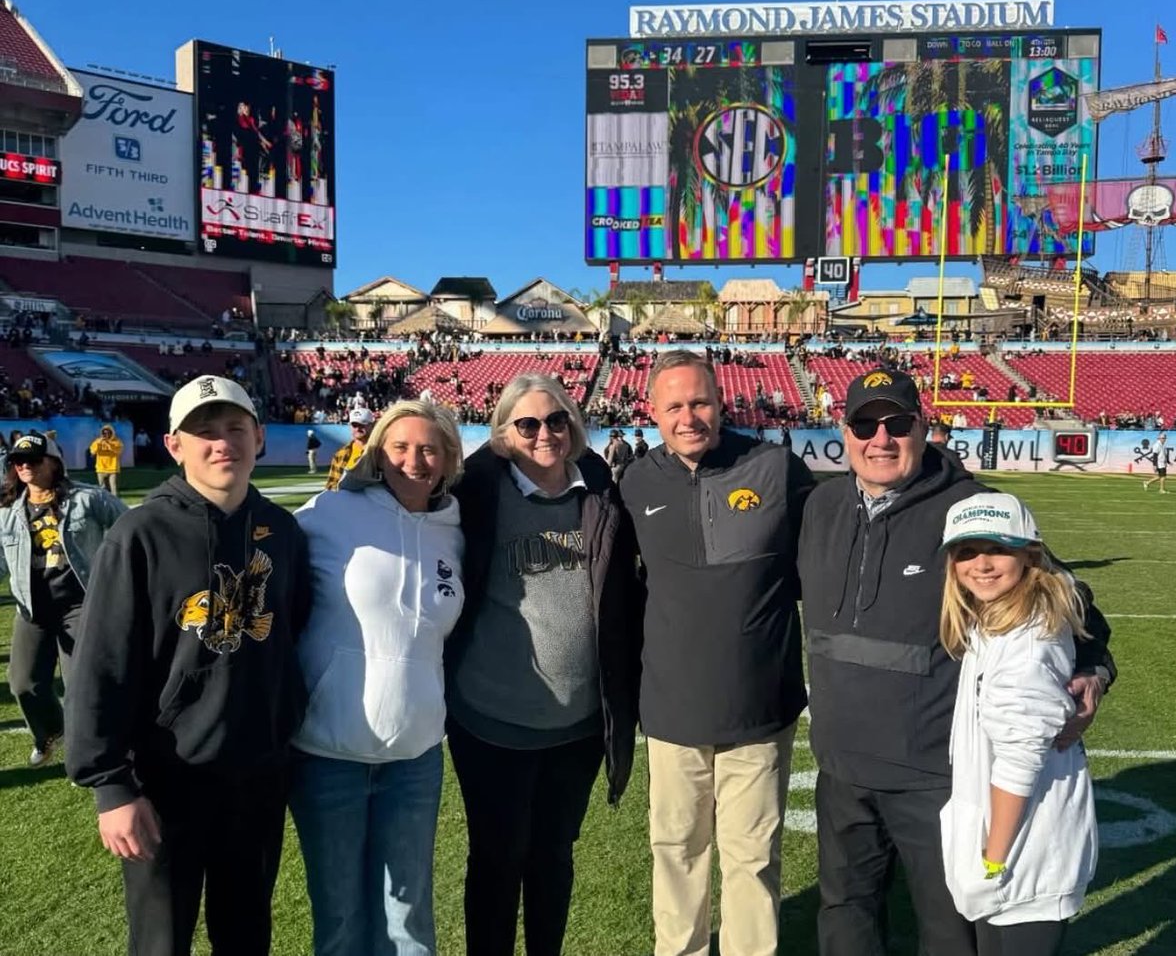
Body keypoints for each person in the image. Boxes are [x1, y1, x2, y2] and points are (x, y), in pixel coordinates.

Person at [797, 368, 1115, 956]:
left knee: (947, 932)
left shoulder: (972, 507)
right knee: (844, 916)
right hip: (840, 767)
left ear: (924, 427)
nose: (881, 438)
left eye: (898, 423)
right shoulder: (820, 507)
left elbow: (1067, 599)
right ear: (843, 432)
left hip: (934, 775)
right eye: (865, 424)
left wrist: (1094, 669)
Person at [65, 376, 312, 956]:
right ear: (175, 446)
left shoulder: (282, 532)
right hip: (164, 781)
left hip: (257, 776)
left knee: (247, 932)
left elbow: (291, 634)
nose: (221, 443)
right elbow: (100, 666)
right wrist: (110, 787)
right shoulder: (139, 535)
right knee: (161, 940)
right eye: (204, 432)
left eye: (234, 429)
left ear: (257, 436)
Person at [621, 350, 815, 956]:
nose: (688, 417)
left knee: (752, 857)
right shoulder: (635, 481)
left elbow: (840, 551)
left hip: (758, 709)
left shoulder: (777, 469)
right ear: (651, 412)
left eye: (699, 402)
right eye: (673, 405)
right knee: (676, 850)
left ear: (721, 401)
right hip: (673, 709)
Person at [445, 373, 641, 956]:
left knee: (555, 856)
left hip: (577, 726)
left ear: (574, 425)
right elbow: (404, 484)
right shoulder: (477, 489)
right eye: (527, 424)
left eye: (556, 420)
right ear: (504, 432)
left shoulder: (600, 487)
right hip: (491, 720)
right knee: (497, 860)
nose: (544, 434)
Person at [290, 401, 466, 955]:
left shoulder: (457, 531)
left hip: (415, 760)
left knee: (408, 918)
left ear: (448, 460)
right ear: (377, 453)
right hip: (328, 755)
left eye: (429, 449)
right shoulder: (328, 513)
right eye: (400, 446)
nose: (414, 460)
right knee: (340, 916)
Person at [937, 492, 1097, 956]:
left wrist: (990, 861)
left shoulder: (1027, 642)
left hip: (1021, 861)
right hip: (1015, 855)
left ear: (1030, 553)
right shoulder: (996, 619)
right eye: (966, 552)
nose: (981, 564)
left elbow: (1018, 762)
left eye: (997, 548)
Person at [0, 431, 125, 766]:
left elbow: (129, 527)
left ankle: (85, 754)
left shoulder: (88, 499)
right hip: (32, 608)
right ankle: (51, 733)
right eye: (17, 461)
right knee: (23, 684)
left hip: (80, 604)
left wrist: (120, 571)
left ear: (54, 463)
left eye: (33, 459)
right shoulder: (8, 510)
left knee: (80, 685)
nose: (24, 466)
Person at [326, 407, 373, 490]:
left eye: (362, 425)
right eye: (354, 425)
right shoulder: (341, 454)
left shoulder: (380, 452)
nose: (358, 429)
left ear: (371, 425)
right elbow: (331, 485)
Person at [89, 424, 124, 495]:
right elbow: (93, 452)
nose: (106, 434)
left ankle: (115, 503)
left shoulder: (117, 442)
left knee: (113, 487)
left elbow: (118, 451)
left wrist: (109, 444)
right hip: (101, 468)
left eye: (108, 433)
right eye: (104, 433)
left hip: (112, 468)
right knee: (102, 488)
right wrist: (99, 443)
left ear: (111, 433)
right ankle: (103, 503)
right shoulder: (98, 441)